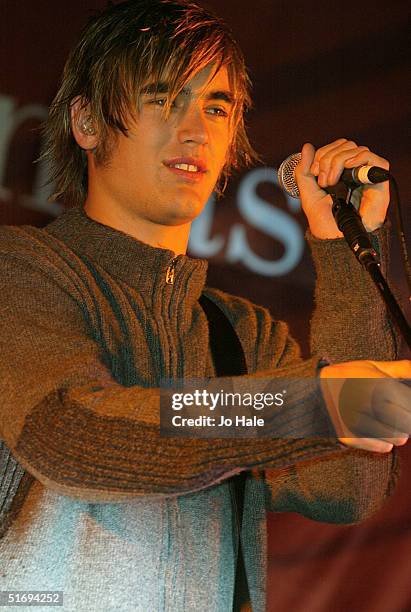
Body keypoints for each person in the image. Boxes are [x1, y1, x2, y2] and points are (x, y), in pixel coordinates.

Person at [0, 1, 410, 611]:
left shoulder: (242, 330)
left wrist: (344, 252)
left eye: (216, 107)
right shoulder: (23, 268)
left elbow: (344, 486)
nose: (194, 128)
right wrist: (318, 406)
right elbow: (70, 431)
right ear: (86, 122)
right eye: (162, 97)